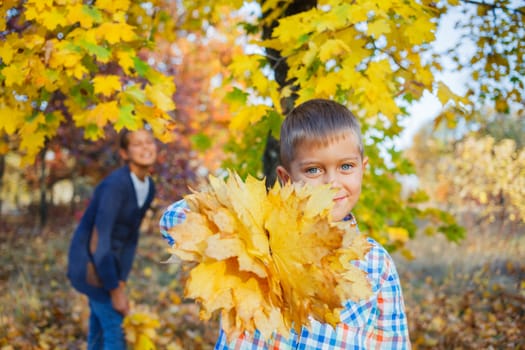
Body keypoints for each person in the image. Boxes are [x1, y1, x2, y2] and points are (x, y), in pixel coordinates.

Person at [159, 99, 410, 349]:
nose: (332, 182)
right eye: (313, 170)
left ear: (362, 169)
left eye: (346, 166)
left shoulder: (376, 263)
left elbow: (391, 343)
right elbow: (173, 221)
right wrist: (254, 218)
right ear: (286, 178)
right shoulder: (259, 229)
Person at [68, 128, 157, 349]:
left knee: (99, 330)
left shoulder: (149, 187)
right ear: (125, 153)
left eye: (149, 142)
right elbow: (100, 240)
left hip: (109, 265)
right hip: (90, 264)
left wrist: (122, 278)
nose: (145, 147)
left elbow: (131, 236)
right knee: (115, 329)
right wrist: (115, 290)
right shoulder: (114, 186)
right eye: (137, 144)